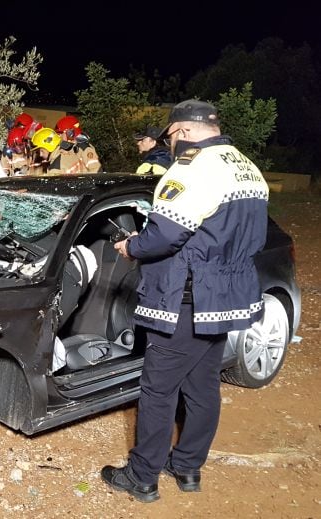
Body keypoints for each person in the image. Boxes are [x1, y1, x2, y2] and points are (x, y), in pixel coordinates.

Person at [103, 99, 270, 502]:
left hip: (185, 296)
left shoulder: (193, 169)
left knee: (158, 389)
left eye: (171, 137)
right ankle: (188, 467)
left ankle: (142, 477)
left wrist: (131, 246)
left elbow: (165, 236)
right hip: (222, 297)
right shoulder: (246, 167)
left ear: (183, 131)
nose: (172, 145)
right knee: (202, 385)